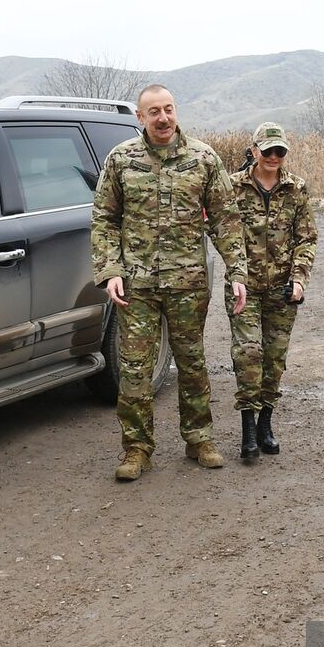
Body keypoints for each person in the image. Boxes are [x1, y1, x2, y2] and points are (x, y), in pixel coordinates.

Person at [92, 84, 249, 481]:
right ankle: (137, 449)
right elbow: (104, 219)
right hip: (137, 286)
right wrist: (110, 269)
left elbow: (225, 219)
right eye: (154, 112)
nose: (163, 118)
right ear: (140, 118)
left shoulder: (202, 158)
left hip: (187, 283)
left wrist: (237, 271)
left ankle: (199, 439)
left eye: (169, 109)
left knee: (192, 362)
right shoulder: (121, 160)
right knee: (134, 370)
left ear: (175, 112)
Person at [225, 123, 318, 462]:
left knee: (274, 359)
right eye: (268, 151)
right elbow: (224, 234)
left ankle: (266, 423)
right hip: (244, 288)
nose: (274, 157)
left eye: (280, 152)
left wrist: (299, 279)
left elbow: (307, 238)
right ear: (254, 151)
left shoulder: (297, 189)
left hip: (282, 289)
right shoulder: (232, 187)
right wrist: (237, 273)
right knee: (248, 354)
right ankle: (248, 429)